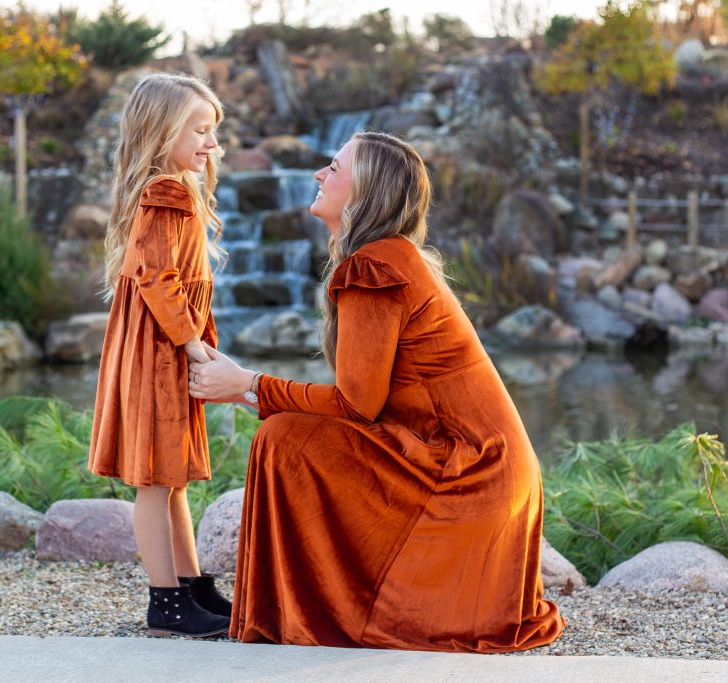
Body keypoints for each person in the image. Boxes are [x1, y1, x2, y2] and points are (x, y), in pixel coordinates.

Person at [188, 131, 565, 652]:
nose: (319, 175)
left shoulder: (375, 266)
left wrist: (248, 385)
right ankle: (315, 607)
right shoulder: (393, 257)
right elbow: (365, 405)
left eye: (334, 168)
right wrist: (250, 387)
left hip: (467, 475)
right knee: (291, 433)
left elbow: (354, 406)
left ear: (367, 191)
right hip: (485, 469)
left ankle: (315, 612)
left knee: (284, 440)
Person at [87, 73, 231, 638]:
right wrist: (194, 345)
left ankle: (192, 586)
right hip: (159, 351)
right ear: (160, 130)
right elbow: (157, 279)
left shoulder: (170, 188)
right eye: (199, 130)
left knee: (171, 478)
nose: (211, 144)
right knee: (155, 480)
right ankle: (166, 603)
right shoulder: (165, 192)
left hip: (159, 347)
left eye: (213, 132)